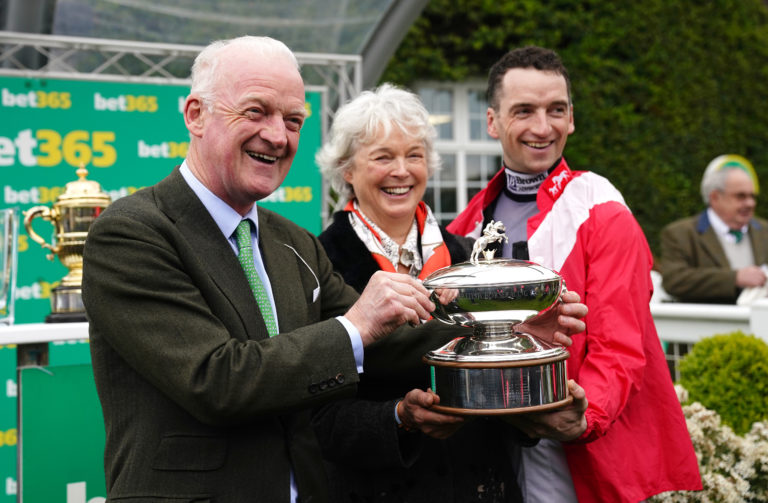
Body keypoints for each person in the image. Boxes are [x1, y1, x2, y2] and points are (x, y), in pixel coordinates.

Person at [80, 36, 441, 503]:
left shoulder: (293, 242)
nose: (277, 135)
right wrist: (355, 326)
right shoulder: (132, 233)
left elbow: (393, 338)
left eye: (293, 120)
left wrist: (514, 331)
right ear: (195, 115)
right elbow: (216, 379)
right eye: (256, 112)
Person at [447, 46, 702, 502]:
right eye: (524, 111)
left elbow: (621, 341)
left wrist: (585, 418)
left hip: (573, 445)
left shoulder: (602, 210)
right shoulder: (465, 225)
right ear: (492, 122)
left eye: (556, 110)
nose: (543, 128)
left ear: (572, 119)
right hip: (486, 445)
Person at [312, 83, 588, 502]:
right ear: (347, 170)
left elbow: (501, 393)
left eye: (414, 155)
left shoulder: (468, 255)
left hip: (484, 485)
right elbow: (317, 414)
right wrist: (398, 418)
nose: (401, 171)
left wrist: (535, 364)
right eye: (383, 157)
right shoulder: (322, 262)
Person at [660, 154, 768, 303]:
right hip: (708, 324)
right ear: (715, 198)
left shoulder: (764, 231)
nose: (750, 203)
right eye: (740, 196)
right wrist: (734, 278)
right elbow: (674, 280)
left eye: (752, 196)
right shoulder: (681, 233)